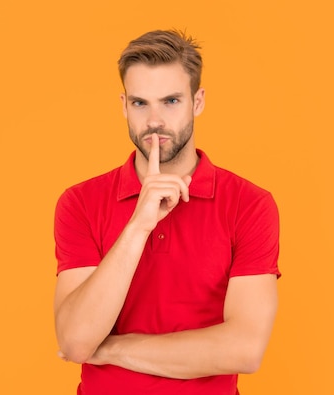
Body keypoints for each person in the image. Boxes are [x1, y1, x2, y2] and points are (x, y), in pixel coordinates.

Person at [53, 29, 281, 395]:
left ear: (198, 101)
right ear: (124, 105)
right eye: (141, 103)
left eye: (171, 101)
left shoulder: (249, 204)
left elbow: (244, 349)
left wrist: (109, 348)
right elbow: (77, 340)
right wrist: (138, 226)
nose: (155, 120)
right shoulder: (79, 202)